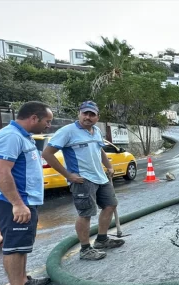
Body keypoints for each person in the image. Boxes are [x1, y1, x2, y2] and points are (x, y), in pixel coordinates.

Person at [42, 101, 125, 261]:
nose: (88, 117)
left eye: (92, 114)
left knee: (110, 205)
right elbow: (47, 154)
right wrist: (68, 175)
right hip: (82, 179)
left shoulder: (96, 132)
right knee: (86, 214)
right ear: (79, 114)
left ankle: (102, 240)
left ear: (97, 117)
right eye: (85, 113)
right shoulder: (67, 131)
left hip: (100, 176)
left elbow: (99, 149)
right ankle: (85, 249)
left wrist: (108, 166)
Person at [0, 101, 53, 285]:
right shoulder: (10, 137)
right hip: (13, 203)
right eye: (47, 121)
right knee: (13, 247)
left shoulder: (22, 136)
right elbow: (1, 171)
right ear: (34, 118)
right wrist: (17, 204)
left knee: (22, 246)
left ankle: (23, 281)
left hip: (25, 201)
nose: (48, 126)